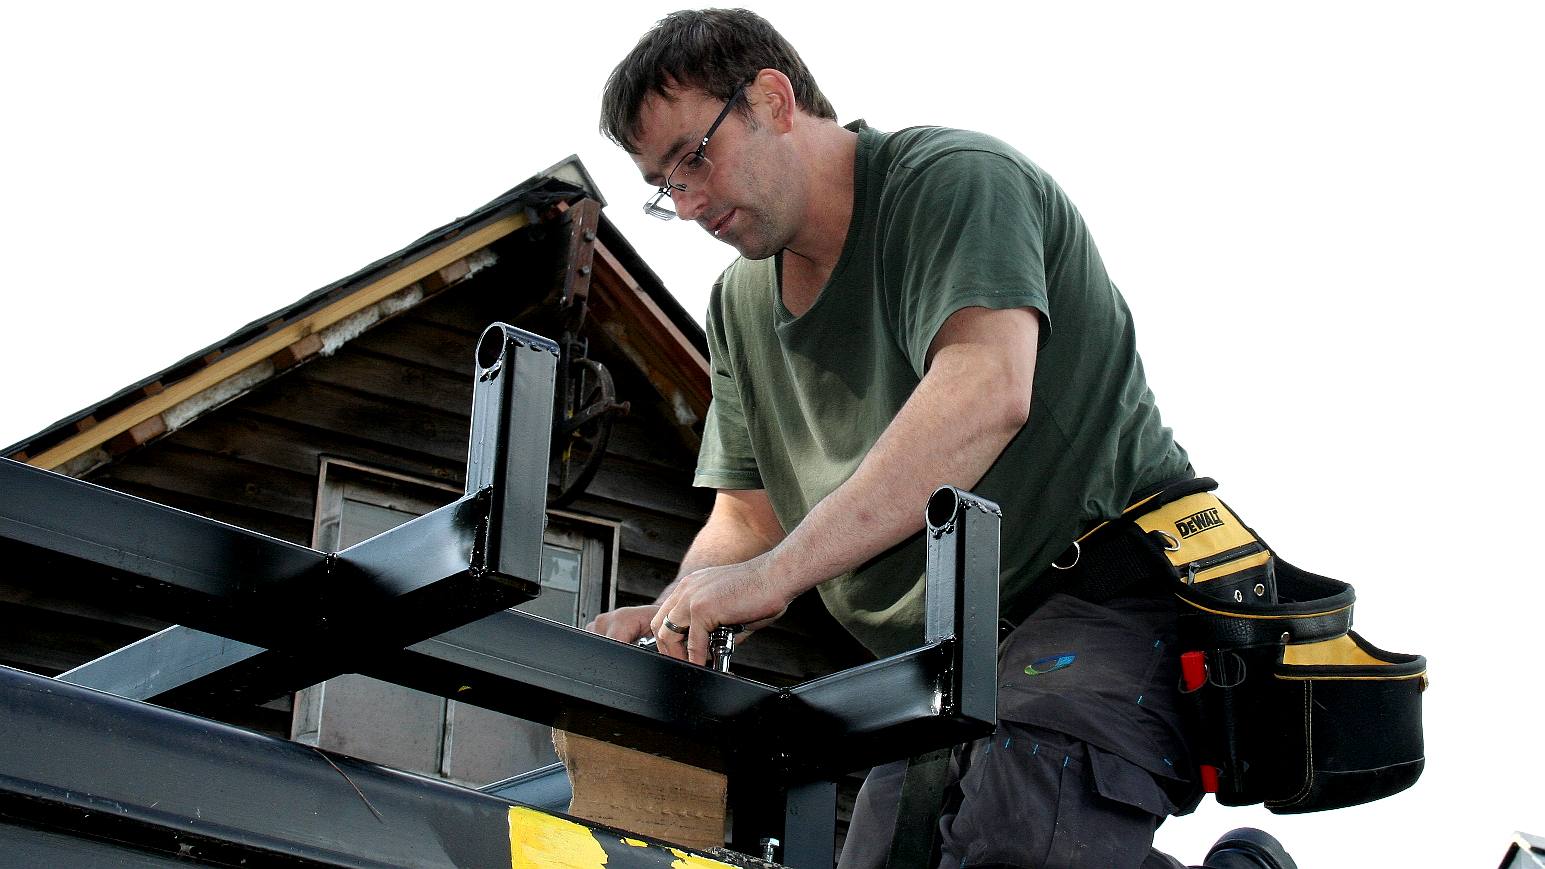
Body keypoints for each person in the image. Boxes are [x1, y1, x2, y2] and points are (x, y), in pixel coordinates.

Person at [589, 9, 1296, 869]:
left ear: (773, 100)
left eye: (694, 157)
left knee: (1012, 837)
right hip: (937, 651)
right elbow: (748, 513)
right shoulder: (739, 306)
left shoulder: (955, 183)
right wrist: (680, 610)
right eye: (666, 186)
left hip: (1102, 587)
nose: (691, 202)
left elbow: (985, 391)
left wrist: (773, 577)